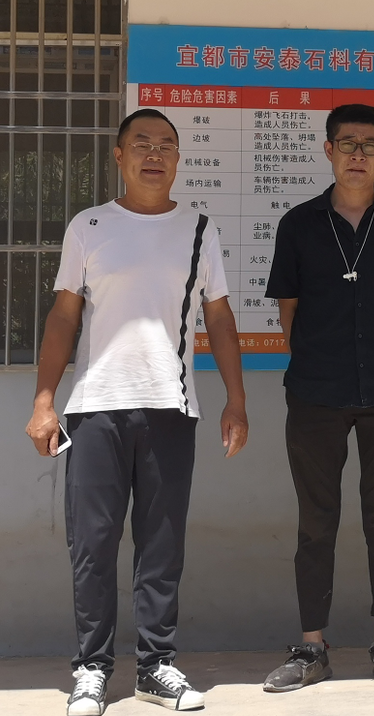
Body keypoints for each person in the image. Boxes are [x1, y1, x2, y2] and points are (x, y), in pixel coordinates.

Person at [25, 108, 249, 715]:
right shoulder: (90, 225)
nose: (155, 154)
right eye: (142, 143)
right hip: (94, 408)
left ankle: (156, 666)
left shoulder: (199, 228)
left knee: (161, 546)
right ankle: (92, 669)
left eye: (166, 145)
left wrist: (236, 400)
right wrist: (44, 400)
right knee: (92, 546)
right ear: (119, 156)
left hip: (171, 407)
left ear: (178, 159)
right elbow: (64, 316)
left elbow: (220, 318)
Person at [263, 103, 374, 693]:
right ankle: (312, 648)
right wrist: (324, 360)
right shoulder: (299, 224)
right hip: (316, 393)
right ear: (328, 150)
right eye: (346, 143)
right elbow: (288, 311)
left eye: (369, 145)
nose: (357, 154)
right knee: (316, 524)